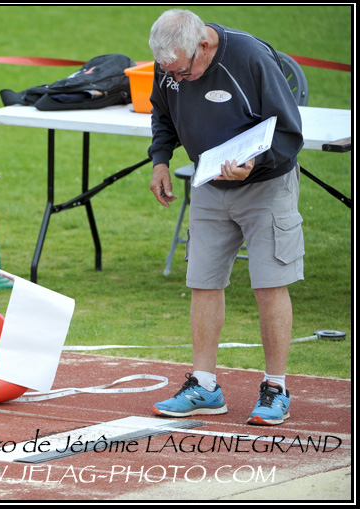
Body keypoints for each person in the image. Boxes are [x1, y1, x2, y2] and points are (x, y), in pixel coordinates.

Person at [146, 9, 304, 426]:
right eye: (169, 72)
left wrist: (256, 163)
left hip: (266, 184)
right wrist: (161, 161)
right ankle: (204, 386)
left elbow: (290, 132)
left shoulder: (251, 58)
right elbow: (162, 112)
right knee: (202, 281)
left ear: (203, 45)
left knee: (269, 283)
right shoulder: (171, 64)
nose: (177, 79)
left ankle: (275, 388)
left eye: (182, 71)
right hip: (210, 181)